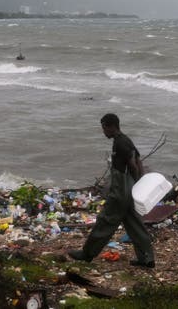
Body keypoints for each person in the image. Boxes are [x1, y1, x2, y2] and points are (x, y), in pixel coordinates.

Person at [68, 113, 155, 268]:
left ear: (110, 126)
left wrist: (133, 183)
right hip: (129, 189)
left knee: (105, 222)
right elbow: (138, 161)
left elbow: (133, 165)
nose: (103, 132)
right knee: (134, 224)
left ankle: (86, 254)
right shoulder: (126, 140)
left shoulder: (120, 143)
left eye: (104, 128)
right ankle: (147, 258)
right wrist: (138, 185)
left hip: (121, 190)